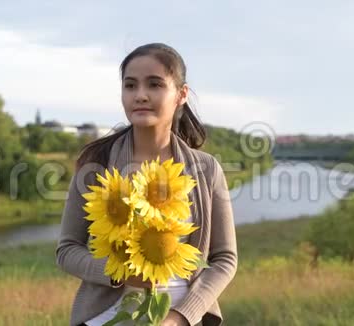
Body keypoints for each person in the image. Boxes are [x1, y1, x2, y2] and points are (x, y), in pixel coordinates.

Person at [56, 42, 237, 326]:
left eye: (154, 85)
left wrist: (179, 317)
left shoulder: (206, 170)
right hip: (106, 319)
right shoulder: (97, 163)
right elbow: (67, 249)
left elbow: (225, 258)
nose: (140, 95)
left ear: (181, 94)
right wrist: (116, 272)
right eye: (130, 86)